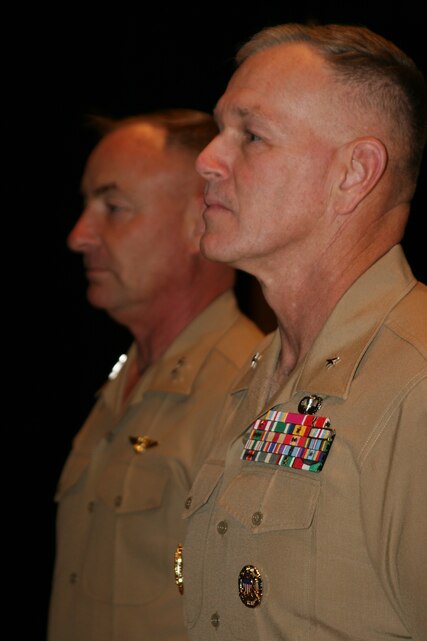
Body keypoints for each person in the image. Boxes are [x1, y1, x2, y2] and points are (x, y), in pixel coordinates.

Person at [177, 23, 427, 640]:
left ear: (355, 172)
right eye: (219, 131)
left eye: (252, 136)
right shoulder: (262, 374)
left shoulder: (416, 386)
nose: (208, 160)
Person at [48, 108, 265, 641]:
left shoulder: (251, 392)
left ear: (201, 221)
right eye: (86, 205)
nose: (79, 235)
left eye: (114, 207)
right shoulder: (122, 384)